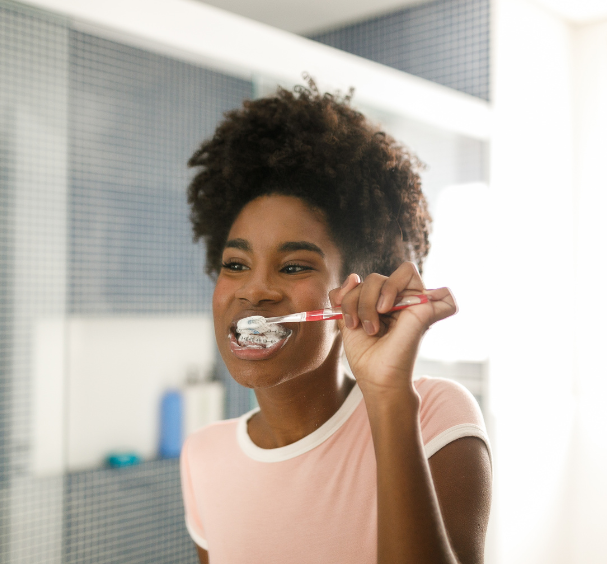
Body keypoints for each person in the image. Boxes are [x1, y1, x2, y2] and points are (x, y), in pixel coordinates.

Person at [181, 78, 492, 564]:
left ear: (357, 289)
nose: (254, 290)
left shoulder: (434, 414)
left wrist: (387, 393)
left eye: (294, 266)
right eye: (235, 265)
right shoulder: (203, 456)